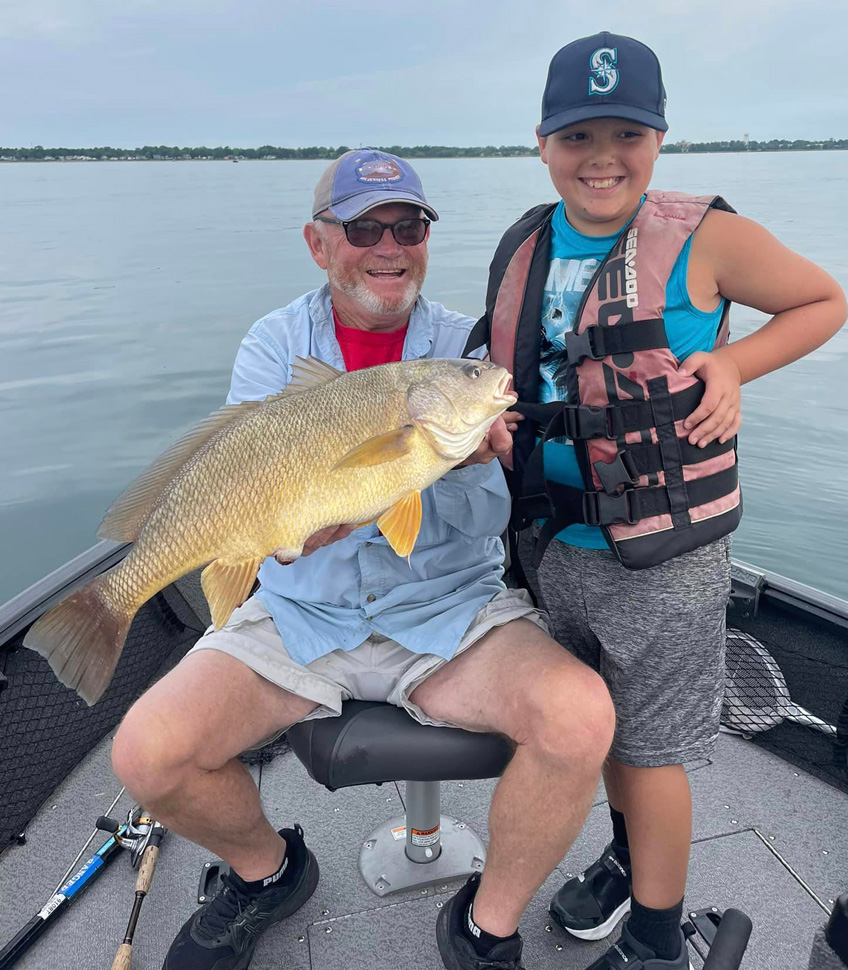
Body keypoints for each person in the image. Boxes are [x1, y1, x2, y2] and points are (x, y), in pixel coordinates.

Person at [110, 148, 616, 970]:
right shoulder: (275, 343)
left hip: (446, 612)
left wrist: (475, 464)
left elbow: (492, 519)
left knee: (583, 715)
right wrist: (290, 526)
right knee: (144, 753)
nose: (389, 245)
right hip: (302, 610)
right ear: (319, 244)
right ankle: (267, 873)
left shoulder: (464, 346)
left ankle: (486, 928)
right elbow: (242, 476)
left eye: (408, 225)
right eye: (364, 228)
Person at [468, 32, 848, 970]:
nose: (602, 156)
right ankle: (630, 856)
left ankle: (653, 940)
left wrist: (732, 360)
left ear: (661, 136)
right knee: (600, 728)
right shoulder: (527, 240)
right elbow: (513, 366)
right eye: (578, 135)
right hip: (556, 550)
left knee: (651, 748)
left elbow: (821, 301)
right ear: (542, 143)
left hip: (665, 561)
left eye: (626, 132)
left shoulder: (708, 235)